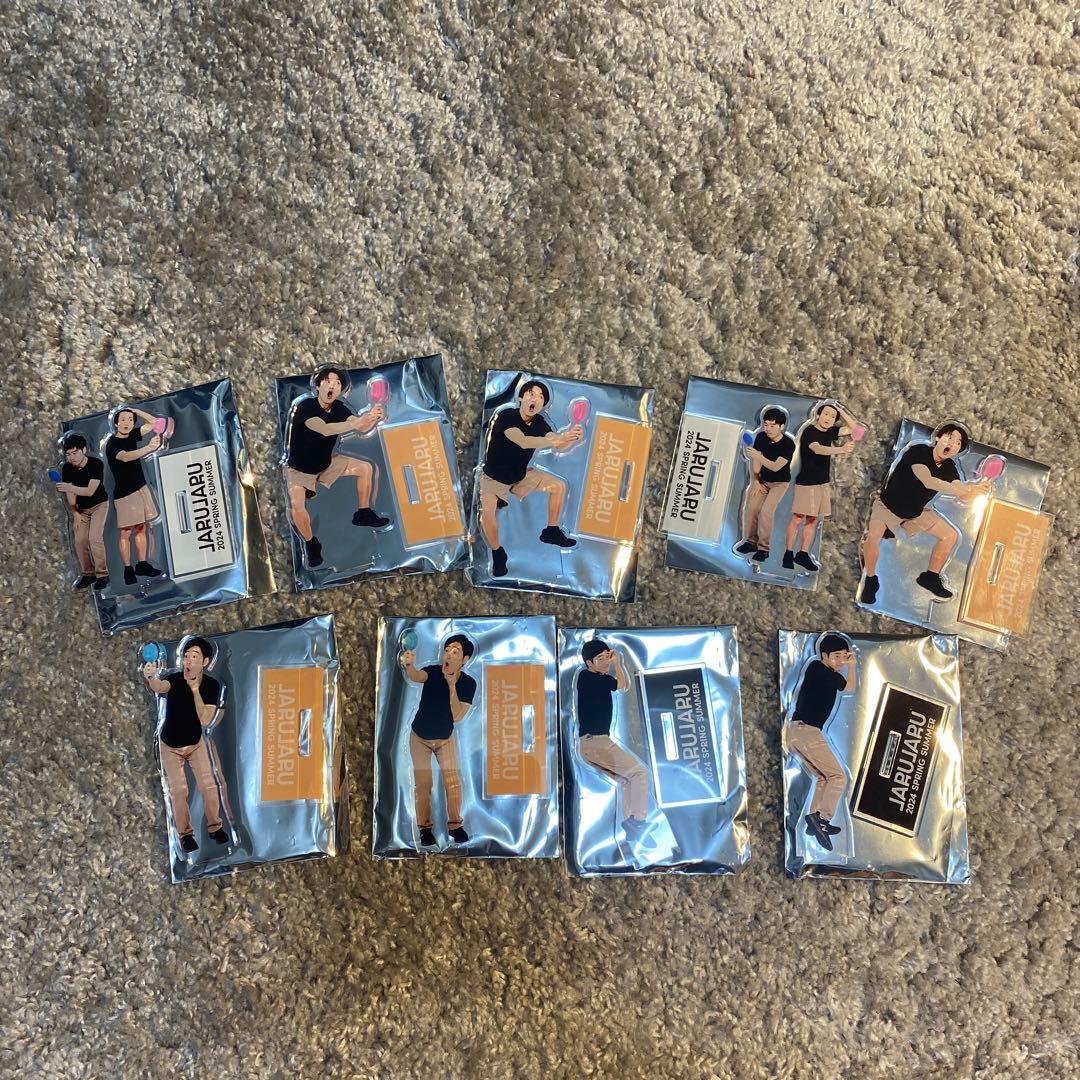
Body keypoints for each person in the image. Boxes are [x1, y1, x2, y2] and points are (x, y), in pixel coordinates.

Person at [859, 422, 990, 604]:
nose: (952, 443)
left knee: (950, 536)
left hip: (914, 513)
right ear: (938, 437)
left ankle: (930, 577)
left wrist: (976, 490)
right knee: (872, 538)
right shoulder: (918, 451)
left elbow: (958, 488)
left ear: (958, 451)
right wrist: (966, 489)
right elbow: (928, 481)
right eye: (949, 437)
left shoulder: (949, 467)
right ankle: (871, 580)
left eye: (957, 443)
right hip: (888, 506)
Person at [284, 366, 389, 569]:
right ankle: (311, 544)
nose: (333, 385)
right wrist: (357, 423)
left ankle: (363, 513)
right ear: (318, 386)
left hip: (325, 463)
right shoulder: (306, 407)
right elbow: (325, 429)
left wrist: (373, 416)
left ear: (340, 390)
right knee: (297, 506)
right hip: (299, 470)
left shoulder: (339, 408)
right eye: (328, 381)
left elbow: (360, 425)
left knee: (365, 468)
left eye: (338, 383)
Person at [478, 379, 583, 578]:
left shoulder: (540, 423)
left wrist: (569, 437)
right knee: (487, 515)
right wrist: (556, 439)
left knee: (559, 486)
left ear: (542, 405)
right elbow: (523, 441)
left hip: (520, 475)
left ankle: (551, 531)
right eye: (531, 394)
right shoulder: (506, 416)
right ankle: (497, 553)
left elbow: (556, 444)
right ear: (521, 397)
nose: (536, 399)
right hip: (493, 478)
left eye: (541, 397)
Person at [143, 637, 230, 854]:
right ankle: (185, 835)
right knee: (179, 790)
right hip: (169, 745)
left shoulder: (211, 686)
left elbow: (205, 719)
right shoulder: (174, 678)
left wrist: (194, 690)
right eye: (186, 656)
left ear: (205, 662)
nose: (188, 660)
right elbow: (160, 687)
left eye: (194, 656)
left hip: (195, 743)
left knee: (210, 786)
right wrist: (151, 677)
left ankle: (215, 827)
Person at [400, 634, 477, 847]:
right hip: (419, 737)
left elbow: (457, 716)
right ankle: (424, 829)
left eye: (455, 651)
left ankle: (455, 826)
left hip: (445, 739)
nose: (449, 655)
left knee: (453, 782)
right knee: (423, 784)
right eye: (447, 650)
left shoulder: (468, 683)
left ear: (465, 659)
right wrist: (409, 665)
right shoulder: (433, 671)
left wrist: (451, 686)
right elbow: (416, 677)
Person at [785, 633, 856, 852]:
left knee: (824, 778)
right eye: (836, 656)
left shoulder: (828, 672)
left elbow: (848, 688)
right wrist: (851, 666)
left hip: (801, 731)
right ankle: (822, 819)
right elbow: (848, 688)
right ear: (824, 656)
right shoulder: (818, 668)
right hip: (806, 732)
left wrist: (850, 664)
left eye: (843, 656)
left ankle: (814, 820)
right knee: (838, 777)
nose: (840, 661)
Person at [575, 639, 649, 843]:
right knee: (639, 773)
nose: (605, 662)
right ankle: (639, 821)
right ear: (589, 663)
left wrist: (616, 662)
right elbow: (620, 685)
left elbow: (622, 685)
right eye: (600, 659)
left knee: (626, 780)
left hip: (594, 744)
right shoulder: (586, 677)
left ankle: (631, 826)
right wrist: (616, 663)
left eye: (606, 657)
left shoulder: (600, 677)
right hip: (596, 743)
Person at [783, 402, 856, 572]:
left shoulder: (830, 432)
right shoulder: (810, 431)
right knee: (798, 518)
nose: (828, 418)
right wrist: (841, 449)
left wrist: (841, 410)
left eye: (833, 416)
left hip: (822, 482)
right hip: (807, 482)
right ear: (817, 415)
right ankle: (788, 553)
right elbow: (817, 449)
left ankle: (803, 554)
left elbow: (855, 429)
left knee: (813, 520)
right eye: (826, 414)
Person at [105, 406, 164, 586]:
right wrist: (148, 448)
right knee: (125, 531)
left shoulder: (132, 435)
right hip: (126, 493)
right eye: (123, 419)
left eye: (130, 420)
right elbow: (126, 457)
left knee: (141, 528)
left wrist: (135, 411)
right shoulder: (112, 443)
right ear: (116, 423)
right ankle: (128, 569)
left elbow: (153, 423)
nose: (127, 423)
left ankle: (142, 564)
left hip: (141, 487)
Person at [735, 407, 796, 563]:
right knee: (751, 508)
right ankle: (750, 542)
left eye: (772, 425)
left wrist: (757, 455)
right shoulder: (761, 436)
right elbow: (756, 461)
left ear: (781, 427)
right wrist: (755, 480)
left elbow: (776, 466)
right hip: (762, 480)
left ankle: (763, 549)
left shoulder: (788, 444)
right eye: (766, 425)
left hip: (779, 483)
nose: (768, 428)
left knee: (766, 512)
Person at [54, 433, 109, 590]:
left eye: (75, 453)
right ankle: (88, 574)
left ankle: (103, 575)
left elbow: (90, 491)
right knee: (80, 540)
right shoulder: (67, 468)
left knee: (94, 538)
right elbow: (70, 494)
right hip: (81, 509)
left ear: (84, 450)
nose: (72, 457)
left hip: (99, 505)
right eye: (68, 454)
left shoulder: (96, 464)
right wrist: (75, 513)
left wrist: (69, 487)